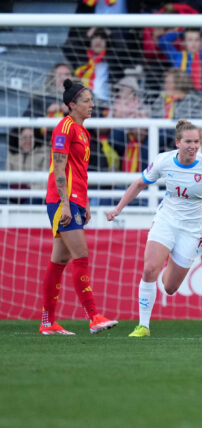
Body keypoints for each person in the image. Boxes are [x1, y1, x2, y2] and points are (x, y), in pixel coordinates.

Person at [106, 120, 202, 337]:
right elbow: (139, 184)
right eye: (188, 142)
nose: (193, 146)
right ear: (178, 143)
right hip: (167, 220)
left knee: (170, 287)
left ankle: (171, 260)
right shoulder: (164, 161)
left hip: (194, 231)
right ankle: (143, 326)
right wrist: (118, 209)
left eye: (196, 141)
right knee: (149, 269)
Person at [39, 80, 118, 335]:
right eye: (86, 101)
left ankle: (48, 323)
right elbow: (59, 168)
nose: (92, 105)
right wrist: (66, 204)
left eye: (92, 100)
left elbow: (79, 172)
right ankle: (93, 316)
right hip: (62, 200)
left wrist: (84, 202)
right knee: (80, 255)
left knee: (59, 260)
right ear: (72, 104)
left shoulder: (84, 132)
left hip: (74, 200)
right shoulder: (65, 128)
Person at [159, 28, 202, 100]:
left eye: (197, 40)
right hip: (183, 97)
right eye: (190, 40)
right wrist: (181, 33)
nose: (193, 43)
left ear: (201, 42)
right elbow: (163, 41)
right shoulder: (177, 56)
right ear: (184, 42)